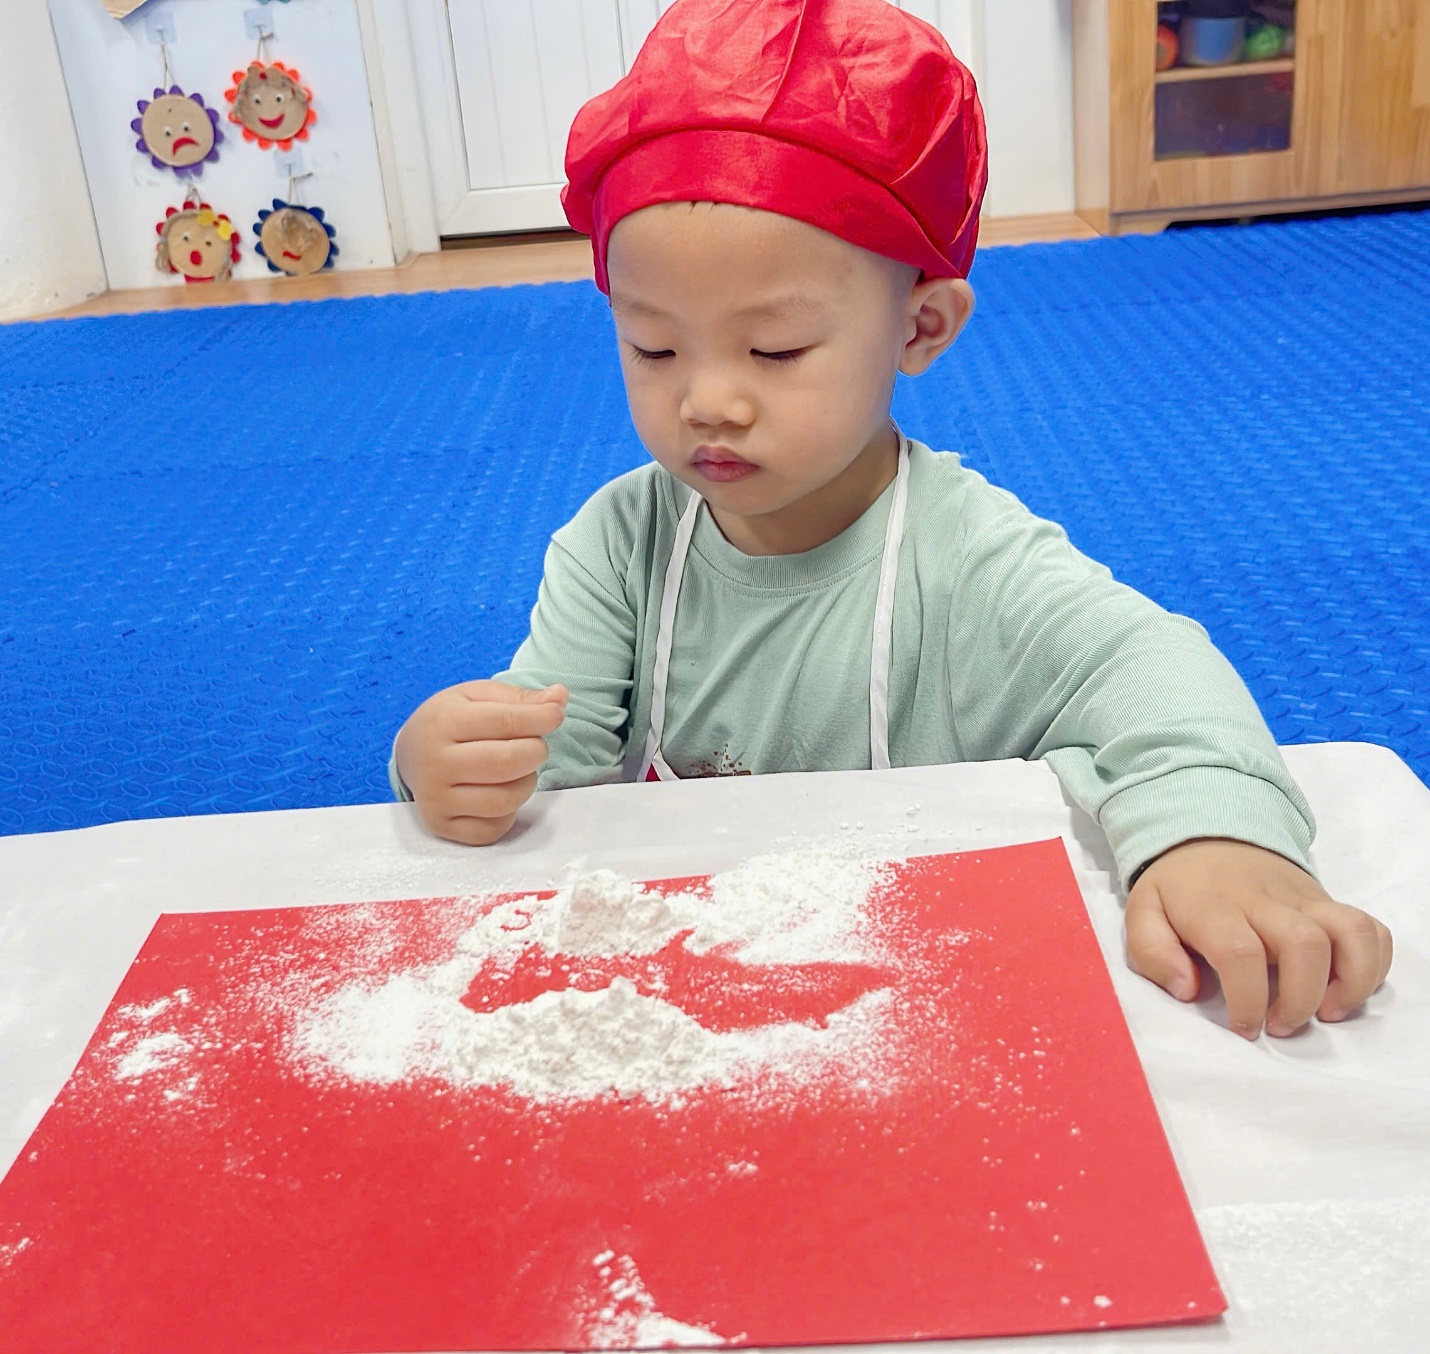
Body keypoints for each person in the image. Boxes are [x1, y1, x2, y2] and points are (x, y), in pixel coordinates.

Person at [392, 0, 1392, 1040]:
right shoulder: (617, 545)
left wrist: (1214, 836)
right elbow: (543, 760)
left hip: (911, 995)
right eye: (653, 348)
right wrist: (442, 761)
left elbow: (1146, 671)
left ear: (920, 325)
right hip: (684, 997)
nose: (707, 400)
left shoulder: (963, 556)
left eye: (772, 351)